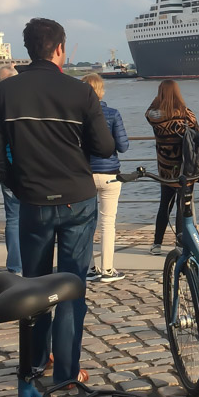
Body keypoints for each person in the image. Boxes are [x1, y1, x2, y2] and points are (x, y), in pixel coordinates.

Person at [0, 18, 115, 384]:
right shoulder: (80, 92)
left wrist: (19, 184)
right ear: (60, 49)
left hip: (33, 201)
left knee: (35, 286)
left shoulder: (2, 93)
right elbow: (104, 147)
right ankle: (68, 373)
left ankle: (37, 362)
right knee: (71, 287)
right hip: (77, 198)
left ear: (27, 49)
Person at [82, 74, 129, 281]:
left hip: (85, 174)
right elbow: (123, 146)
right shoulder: (112, 114)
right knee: (108, 222)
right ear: (102, 91)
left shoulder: (78, 116)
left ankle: (89, 268)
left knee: (86, 222)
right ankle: (108, 269)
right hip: (110, 173)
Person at [146, 80, 198, 255]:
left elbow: (148, 112)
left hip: (165, 169)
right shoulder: (185, 114)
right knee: (181, 207)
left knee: (164, 206)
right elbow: (198, 133)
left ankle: (157, 244)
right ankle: (180, 244)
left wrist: (159, 98)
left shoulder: (155, 115)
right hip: (185, 168)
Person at [0, 64, 21, 272]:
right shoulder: (24, 99)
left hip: (7, 164)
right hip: (28, 165)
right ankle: (33, 263)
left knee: (12, 217)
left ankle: (15, 266)